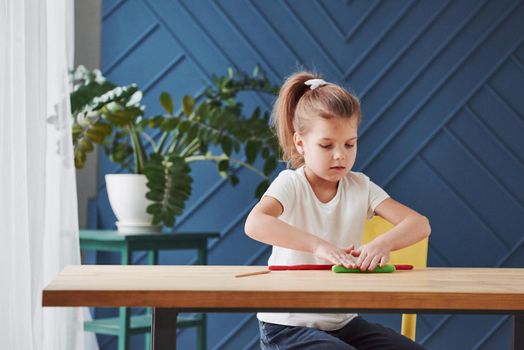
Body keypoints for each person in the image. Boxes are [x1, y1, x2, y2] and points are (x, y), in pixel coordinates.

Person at [244, 71, 431, 350]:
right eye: (326, 145)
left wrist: (382, 244)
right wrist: (320, 247)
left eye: (349, 144)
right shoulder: (291, 184)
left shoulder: (361, 186)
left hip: (342, 323)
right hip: (287, 326)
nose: (340, 155)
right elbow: (255, 224)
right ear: (300, 143)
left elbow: (419, 224)